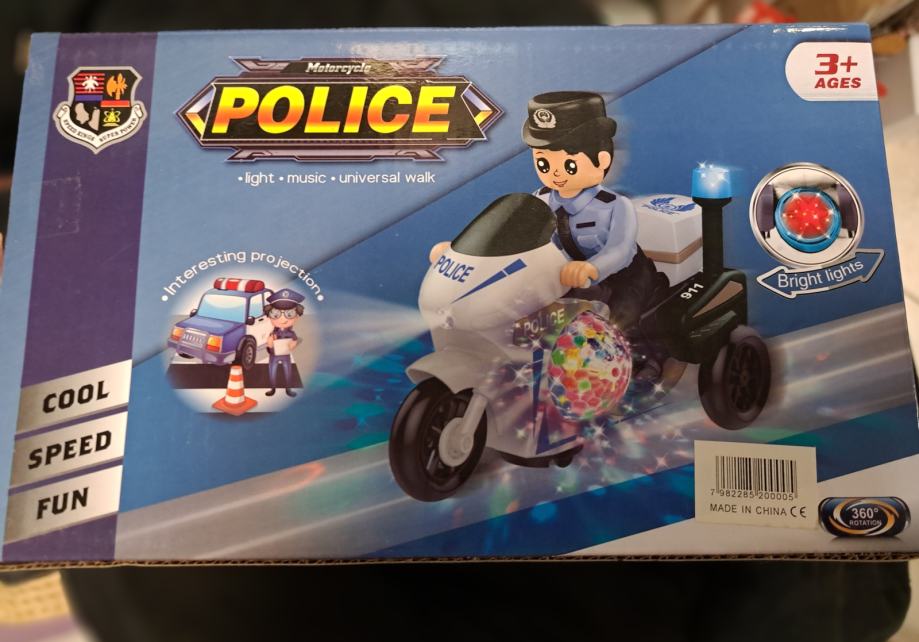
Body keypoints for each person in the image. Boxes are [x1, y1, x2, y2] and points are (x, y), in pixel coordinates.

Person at [264, 288, 305, 397]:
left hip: (285, 355)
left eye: (289, 314)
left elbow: (295, 341)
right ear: (269, 316)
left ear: (297, 317)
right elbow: (269, 347)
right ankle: (272, 388)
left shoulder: (291, 333)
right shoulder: (273, 333)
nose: (282, 319)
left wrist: (293, 344)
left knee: (288, 371)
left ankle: (288, 389)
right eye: (276, 314)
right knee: (272, 371)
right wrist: (270, 343)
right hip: (274, 356)